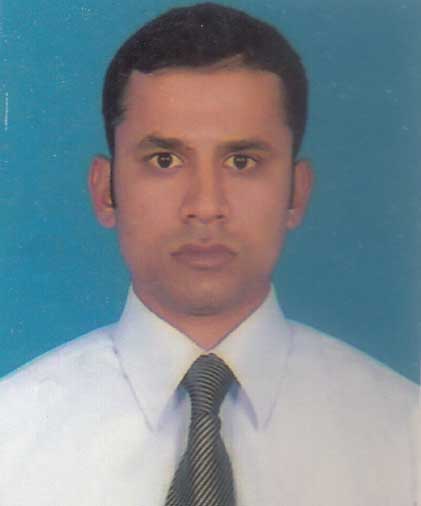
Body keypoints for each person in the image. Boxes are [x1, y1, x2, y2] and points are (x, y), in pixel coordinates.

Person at [0, 3, 418, 505]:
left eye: (242, 161)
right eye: (165, 160)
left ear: (297, 193)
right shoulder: (11, 436)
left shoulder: (406, 437)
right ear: (105, 190)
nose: (204, 206)